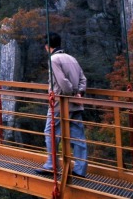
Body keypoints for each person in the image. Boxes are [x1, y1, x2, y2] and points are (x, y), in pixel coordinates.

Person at [35, 32, 88, 178]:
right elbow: (83, 79)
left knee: (50, 131)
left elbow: (62, 81)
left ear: (47, 46)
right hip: (76, 103)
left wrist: (70, 93)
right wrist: (79, 93)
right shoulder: (72, 58)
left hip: (60, 103)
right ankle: (80, 169)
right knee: (78, 136)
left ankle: (52, 165)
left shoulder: (54, 59)